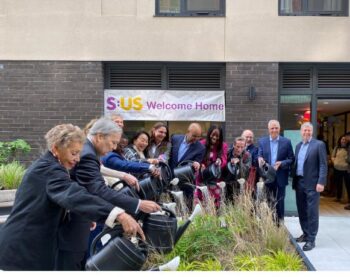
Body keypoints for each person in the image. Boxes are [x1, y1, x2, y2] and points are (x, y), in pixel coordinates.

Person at [0, 124, 142, 270]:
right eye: (74, 153)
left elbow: (55, 199)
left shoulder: (49, 165)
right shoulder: (50, 170)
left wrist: (84, 214)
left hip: (28, 244)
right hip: (22, 249)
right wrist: (119, 214)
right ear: (56, 149)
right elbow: (74, 195)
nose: (78, 159)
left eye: (79, 153)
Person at [56, 118, 160, 270]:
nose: (114, 147)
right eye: (113, 142)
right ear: (99, 137)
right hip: (70, 226)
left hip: (80, 217)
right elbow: (98, 190)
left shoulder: (88, 150)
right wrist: (138, 204)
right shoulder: (87, 154)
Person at [292, 122, 327, 251]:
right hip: (299, 183)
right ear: (301, 132)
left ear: (312, 132)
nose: (306, 133)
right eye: (304, 130)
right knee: (302, 210)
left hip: (313, 184)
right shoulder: (298, 146)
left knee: (312, 212)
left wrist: (321, 182)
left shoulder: (319, 145)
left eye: (309, 130)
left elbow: (323, 165)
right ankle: (306, 234)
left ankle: (311, 239)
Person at [258, 119, 294, 223]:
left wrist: (282, 163)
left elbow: (291, 159)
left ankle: (280, 225)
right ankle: (268, 223)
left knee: (280, 202)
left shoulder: (286, 142)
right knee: (267, 201)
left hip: (280, 177)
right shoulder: (262, 141)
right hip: (267, 177)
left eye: (276, 128)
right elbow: (260, 155)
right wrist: (260, 159)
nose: (274, 130)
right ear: (268, 129)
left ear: (279, 129)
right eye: (272, 128)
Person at [168, 123, 205, 209]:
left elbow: (195, 165)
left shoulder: (200, 148)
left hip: (186, 184)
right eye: (194, 136)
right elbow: (168, 156)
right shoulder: (175, 139)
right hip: (170, 181)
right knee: (171, 209)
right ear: (188, 132)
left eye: (198, 137)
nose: (195, 139)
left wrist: (196, 164)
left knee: (186, 210)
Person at [194, 125, 228, 208]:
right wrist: (201, 164)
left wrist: (220, 162)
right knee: (201, 201)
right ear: (209, 134)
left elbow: (224, 159)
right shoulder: (202, 143)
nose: (215, 138)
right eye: (213, 135)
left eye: (217, 136)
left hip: (215, 179)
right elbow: (197, 158)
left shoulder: (223, 145)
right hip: (202, 177)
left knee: (214, 202)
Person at [331, 135, 350, 203]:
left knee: (348, 184)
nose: (343, 141)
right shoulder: (337, 148)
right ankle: (338, 197)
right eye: (342, 139)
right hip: (337, 168)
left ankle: (348, 200)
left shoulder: (348, 148)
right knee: (338, 183)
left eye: (345, 139)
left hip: (346, 169)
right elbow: (332, 156)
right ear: (340, 140)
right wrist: (335, 162)